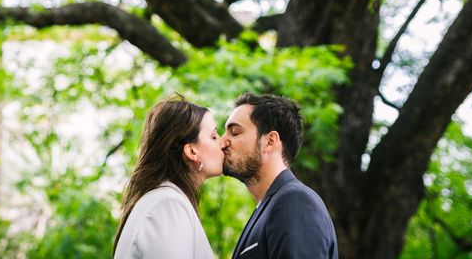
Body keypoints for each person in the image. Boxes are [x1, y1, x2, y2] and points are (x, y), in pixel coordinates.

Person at [222, 92, 339, 258]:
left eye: (235, 132)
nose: (222, 141)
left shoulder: (295, 201)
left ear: (269, 141)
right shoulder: (268, 206)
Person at [112, 97, 224, 259]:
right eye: (214, 136)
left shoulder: (162, 200)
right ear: (192, 152)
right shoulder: (168, 205)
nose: (222, 143)